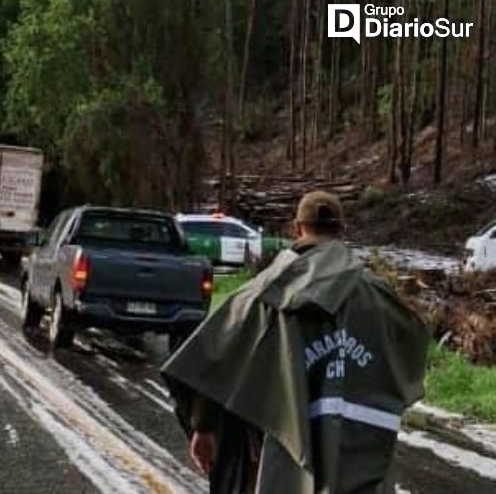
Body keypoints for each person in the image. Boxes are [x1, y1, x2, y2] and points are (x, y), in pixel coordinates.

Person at [162, 191, 429, 493]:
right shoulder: (379, 298)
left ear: (297, 228)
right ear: (342, 230)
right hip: (360, 457)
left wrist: (204, 427)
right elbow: (412, 345)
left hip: (280, 452)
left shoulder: (261, 294)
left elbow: (217, 357)